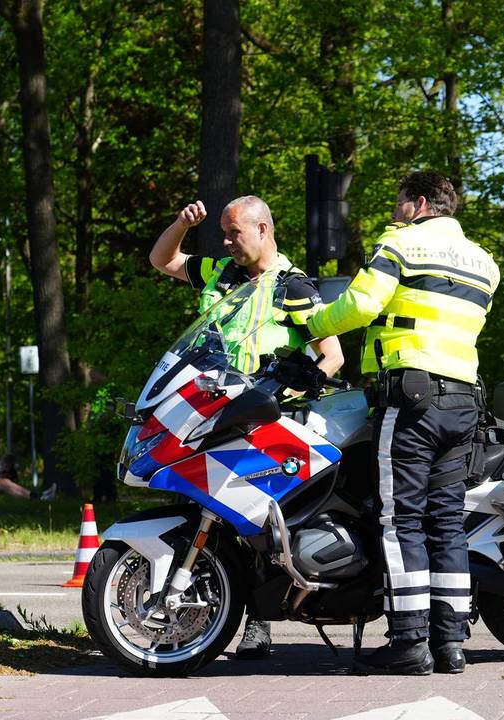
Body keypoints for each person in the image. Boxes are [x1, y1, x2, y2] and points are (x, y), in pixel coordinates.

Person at [306, 171, 500, 675]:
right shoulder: (484, 263)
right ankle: (451, 644)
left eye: (398, 203)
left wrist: (311, 323)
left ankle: (409, 643)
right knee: (447, 523)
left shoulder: (401, 244)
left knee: (401, 519)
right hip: (464, 403)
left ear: (417, 204)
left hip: (412, 400)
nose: (394, 212)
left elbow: (362, 304)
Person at [150, 195, 345, 660]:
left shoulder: (293, 286)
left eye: (234, 232)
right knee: (199, 513)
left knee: (255, 522)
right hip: (208, 412)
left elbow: (332, 355)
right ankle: (192, 623)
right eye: (222, 232)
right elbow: (164, 260)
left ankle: (258, 622)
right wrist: (180, 223)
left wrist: (292, 391)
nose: (226, 241)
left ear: (262, 230)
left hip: (262, 419)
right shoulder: (221, 273)